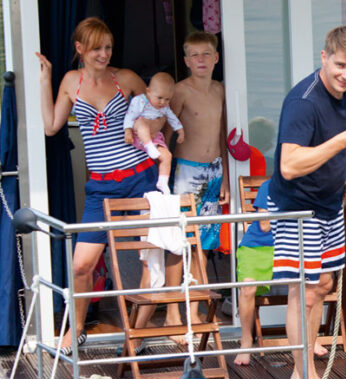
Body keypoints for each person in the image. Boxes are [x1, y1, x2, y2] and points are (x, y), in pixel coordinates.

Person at [268, 26, 346, 379]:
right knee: (306, 289)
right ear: (324, 56)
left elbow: (336, 144)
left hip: (329, 204)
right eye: (341, 65)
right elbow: (290, 164)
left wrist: (343, 180)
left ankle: (302, 374)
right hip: (297, 206)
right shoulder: (303, 102)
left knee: (324, 284)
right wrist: (342, 144)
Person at [37, 17, 156, 353]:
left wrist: (144, 126)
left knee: (145, 259)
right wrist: (45, 79)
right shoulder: (70, 82)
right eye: (97, 48)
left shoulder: (127, 79)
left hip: (138, 178)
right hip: (101, 187)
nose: (104, 54)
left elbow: (160, 114)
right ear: (80, 49)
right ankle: (74, 333)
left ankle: (137, 336)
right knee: (81, 265)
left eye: (108, 47)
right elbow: (51, 126)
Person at [161, 31, 229, 344]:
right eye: (194, 56)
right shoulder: (180, 90)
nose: (201, 60)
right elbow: (162, 130)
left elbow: (223, 136)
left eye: (206, 54)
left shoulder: (220, 90)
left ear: (216, 58)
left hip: (214, 171)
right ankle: (173, 314)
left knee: (204, 241)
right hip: (188, 172)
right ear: (187, 61)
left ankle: (196, 308)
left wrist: (226, 176)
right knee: (181, 240)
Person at [233, 180, 329, 365]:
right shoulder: (269, 186)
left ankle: (310, 340)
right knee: (248, 288)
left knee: (312, 287)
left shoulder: (309, 186)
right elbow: (264, 225)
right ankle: (246, 341)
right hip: (258, 246)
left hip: (291, 245)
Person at [123, 72, 183, 194]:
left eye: (167, 99)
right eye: (159, 98)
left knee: (167, 156)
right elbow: (130, 116)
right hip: (138, 136)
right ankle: (149, 146)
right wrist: (128, 131)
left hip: (155, 138)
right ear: (148, 92)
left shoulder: (165, 107)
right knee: (142, 123)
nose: (162, 102)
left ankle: (162, 181)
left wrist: (180, 130)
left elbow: (172, 118)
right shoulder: (140, 101)